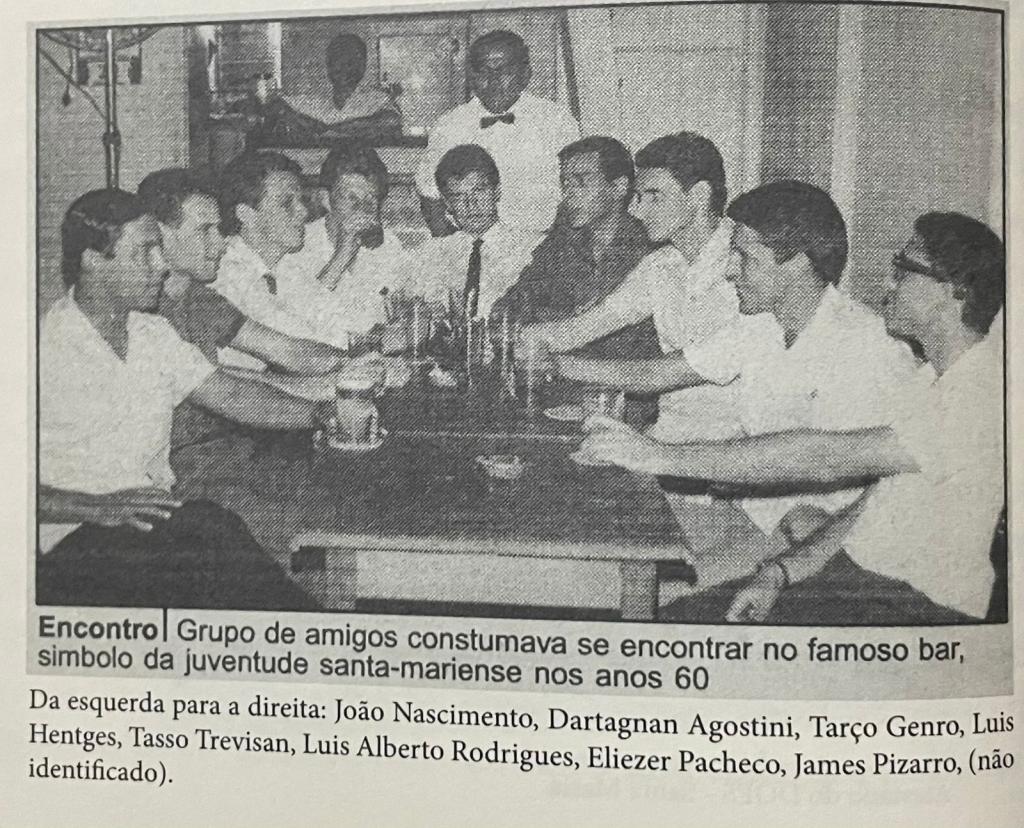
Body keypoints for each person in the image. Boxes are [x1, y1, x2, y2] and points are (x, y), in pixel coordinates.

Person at [582, 211, 1005, 624]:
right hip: (860, 579)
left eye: (904, 270)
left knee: (667, 627)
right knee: (664, 614)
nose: (887, 283)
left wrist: (657, 456)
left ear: (956, 289)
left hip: (917, 607)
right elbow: (870, 509)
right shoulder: (931, 377)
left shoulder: (980, 392)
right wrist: (780, 572)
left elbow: (822, 456)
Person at [37, 189, 372, 610]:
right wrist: (94, 507)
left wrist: (323, 414)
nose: (160, 266)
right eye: (144, 253)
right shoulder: (43, 349)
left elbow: (233, 394)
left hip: (157, 523)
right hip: (75, 542)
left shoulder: (150, 333)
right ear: (93, 260)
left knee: (213, 528)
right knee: (211, 532)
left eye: (159, 250)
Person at [577, 180, 919, 589]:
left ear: (796, 264)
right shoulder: (761, 324)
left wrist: (658, 455)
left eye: (744, 257)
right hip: (744, 513)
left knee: (629, 589)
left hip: (808, 543)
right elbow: (659, 373)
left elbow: (882, 484)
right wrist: (557, 364)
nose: (729, 270)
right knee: (597, 538)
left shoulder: (871, 347)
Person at [520, 132, 740, 441]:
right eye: (639, 197)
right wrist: (515, 339)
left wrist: (557, 363)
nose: (637, 211)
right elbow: (581, 328)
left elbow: (656, 374)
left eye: (654, 197)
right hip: (667, 435)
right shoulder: (661, 264)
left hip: (733, 445)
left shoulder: (744, 266)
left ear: (699, 196)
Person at [139, 167, 347, 373]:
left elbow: (286, 351)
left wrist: (352, 366)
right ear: (161, 234)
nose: (220, 243)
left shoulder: (199, 298)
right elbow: (226, 391)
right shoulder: (146, 309)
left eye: (218, 229)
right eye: (204, 230)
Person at [491, 135, 657, 359]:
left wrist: (550, 318)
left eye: (581, 181)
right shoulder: (560, 244)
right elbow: (508, 308)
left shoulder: (650, 246)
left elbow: (632, 340)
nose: (568, 194)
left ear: (618, 187)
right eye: (565, 183)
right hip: (559, 376)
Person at [415, 29, 580, 234]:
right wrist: (459, 250)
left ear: (525, 74)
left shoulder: (556, 121)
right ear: (471, 77)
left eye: (504, 71)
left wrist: (552, 248)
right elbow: (430, 195)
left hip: (542, 245)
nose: (493, 82)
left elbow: (576, 191)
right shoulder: (450, 125)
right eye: (484, 71)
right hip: (472, 248)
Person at [275, 143, 420, 351]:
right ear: (326, 200)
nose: (362, 208)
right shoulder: (297, 245)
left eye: (371, 199)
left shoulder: (389, 246)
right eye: (351, 198)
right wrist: (342, 255)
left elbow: (406, 316)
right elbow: (295, 327)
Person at [410, 144, 540, 320]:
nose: (471, 204)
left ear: (497, 192)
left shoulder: (531, 249)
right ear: (447, 204)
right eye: (458, 196)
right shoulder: (431, 254)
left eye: (479, 191)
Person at [212, 150, 328, 344]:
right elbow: (297, 346)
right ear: (246, 214)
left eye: (301, 200)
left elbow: (334, 323)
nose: (303, 211)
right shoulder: (225, 275)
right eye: (286, 203)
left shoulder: (285, 266)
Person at [265, 33, 400, 144]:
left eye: (350, 62)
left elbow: (391, 121)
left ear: (363, 66)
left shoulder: (376, 100)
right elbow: (275, 106)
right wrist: (298, 120)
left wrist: (333, 129)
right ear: (328, 65)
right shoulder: (314, 102)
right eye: (337, 61)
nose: (344, 69)